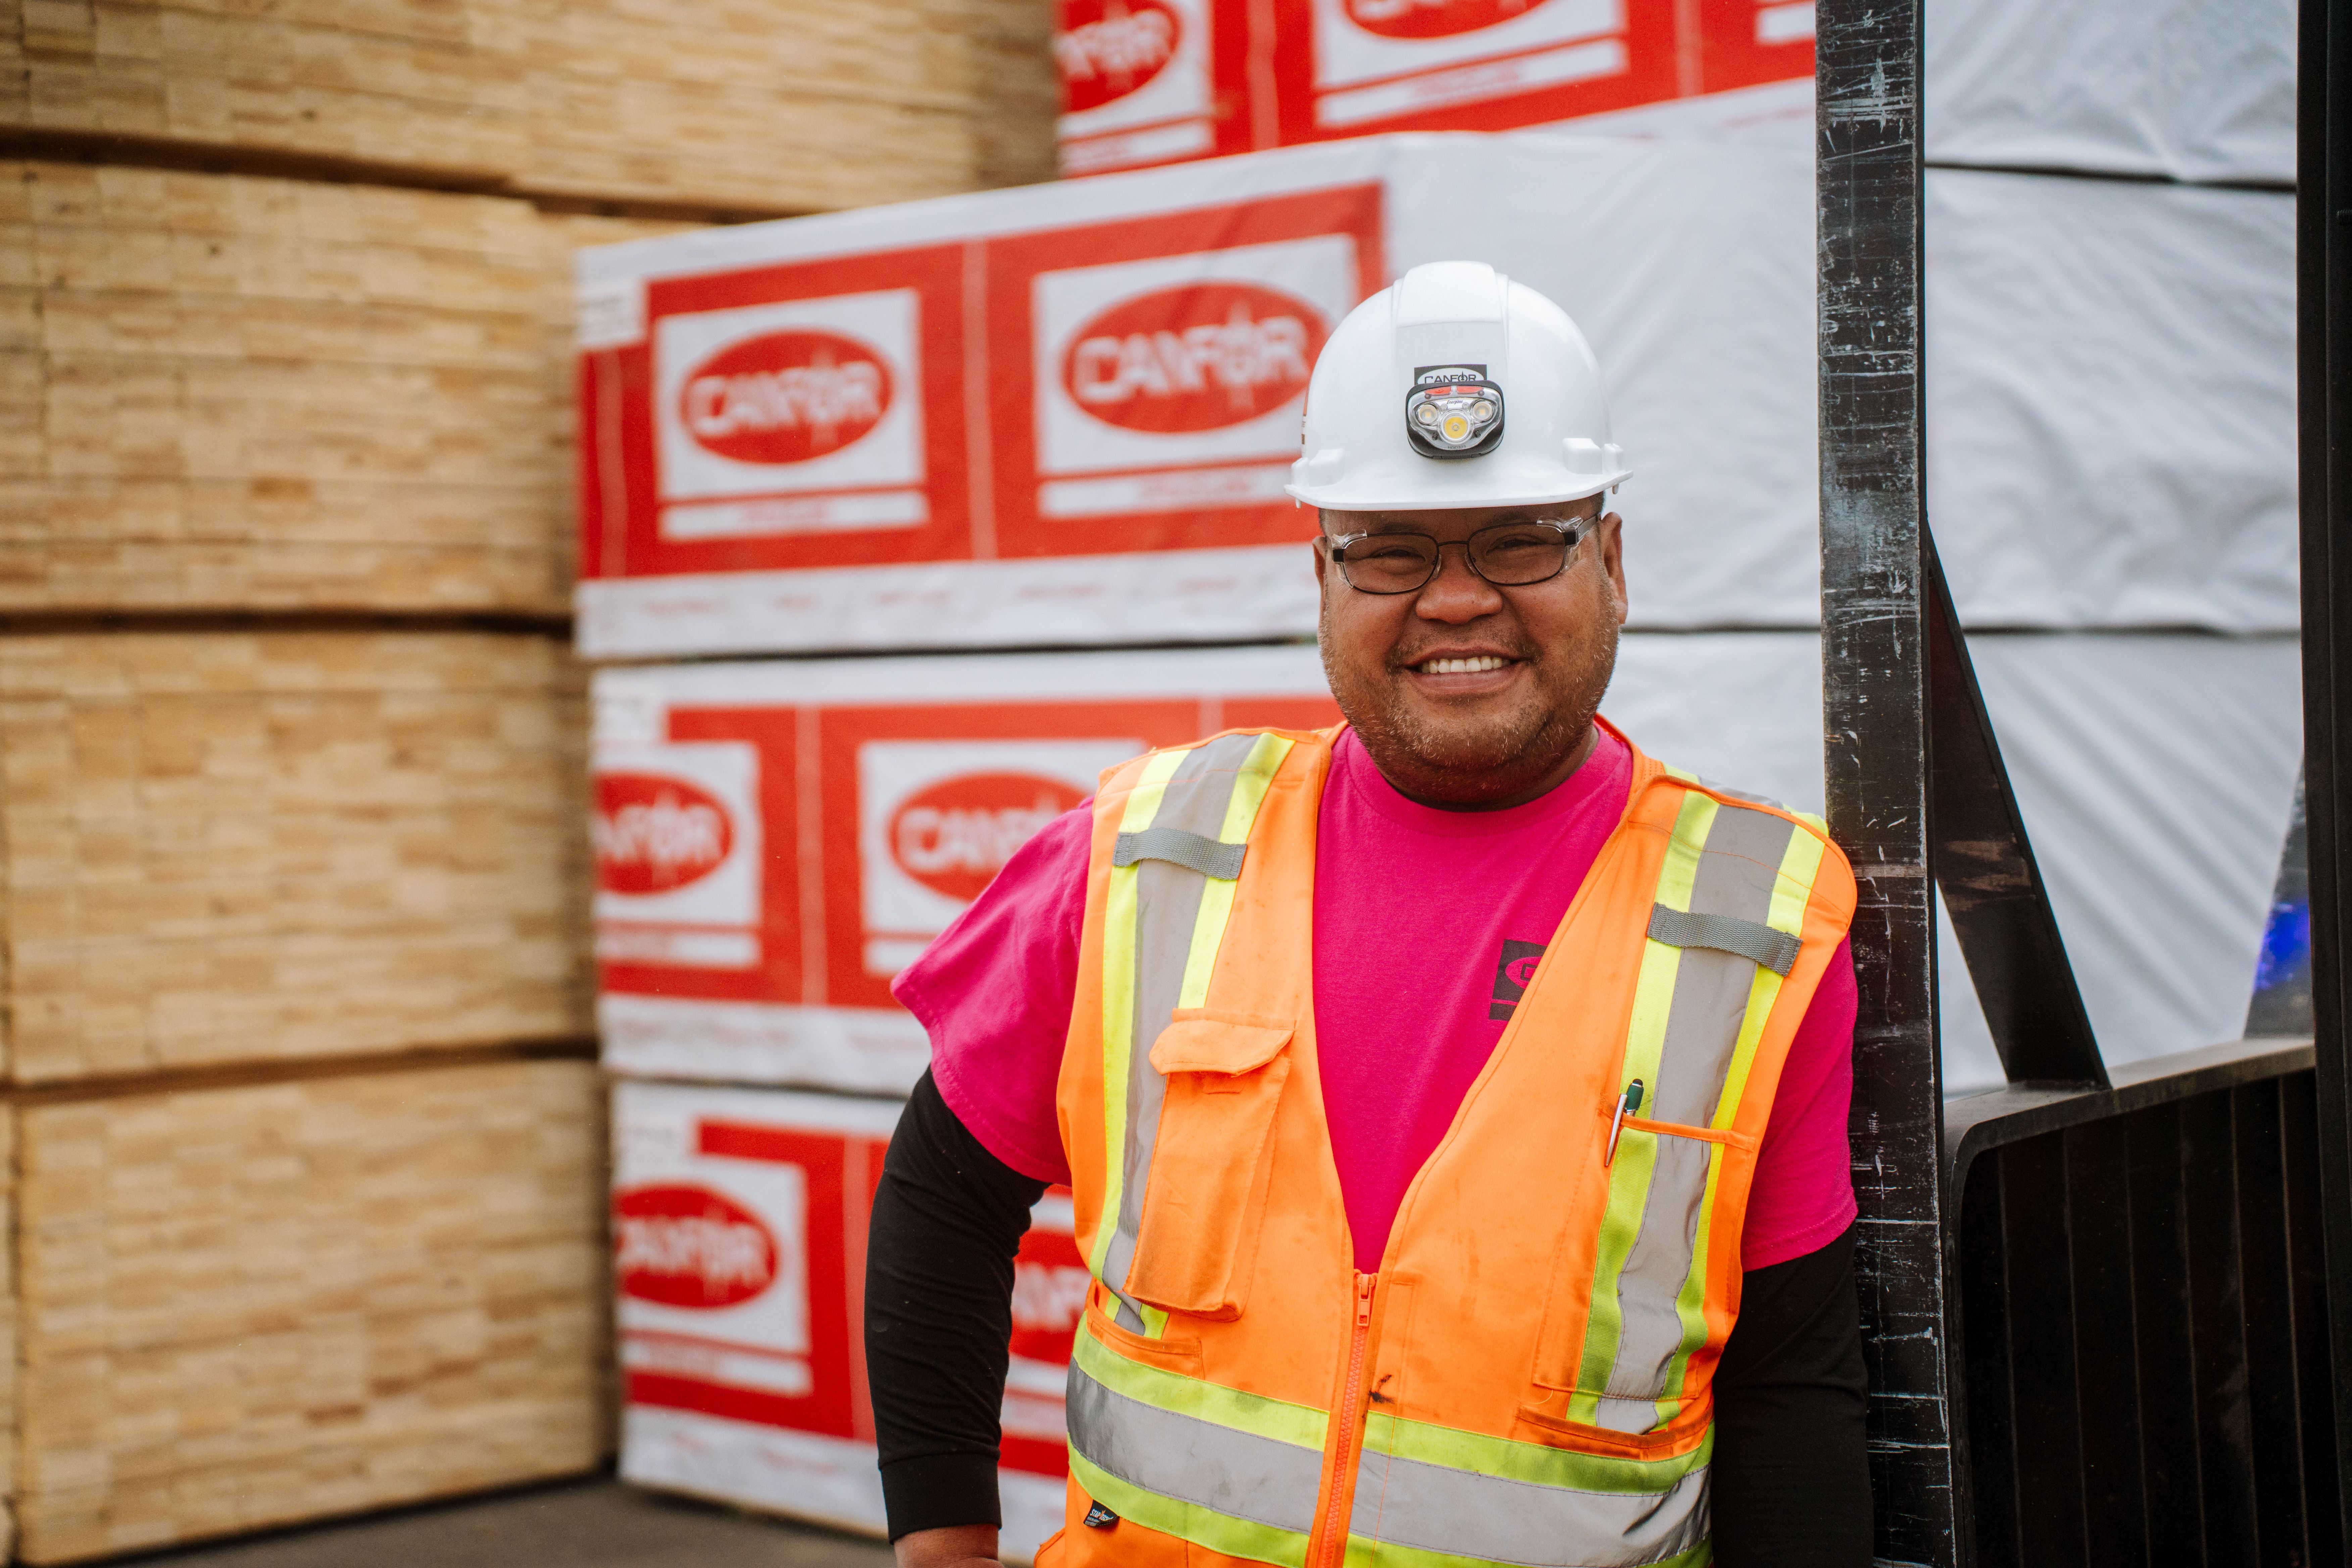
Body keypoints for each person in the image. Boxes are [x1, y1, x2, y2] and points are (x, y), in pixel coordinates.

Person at [866, 261, 1872, 1567]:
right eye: (1392, 549)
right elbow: (944, 1194)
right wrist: (941, 1545)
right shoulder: (1140, 854)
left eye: (1522, 537)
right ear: (1323, 573)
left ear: (1612, 560)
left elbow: (1794, 1389)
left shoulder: (1758, 926)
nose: (1455, 599)